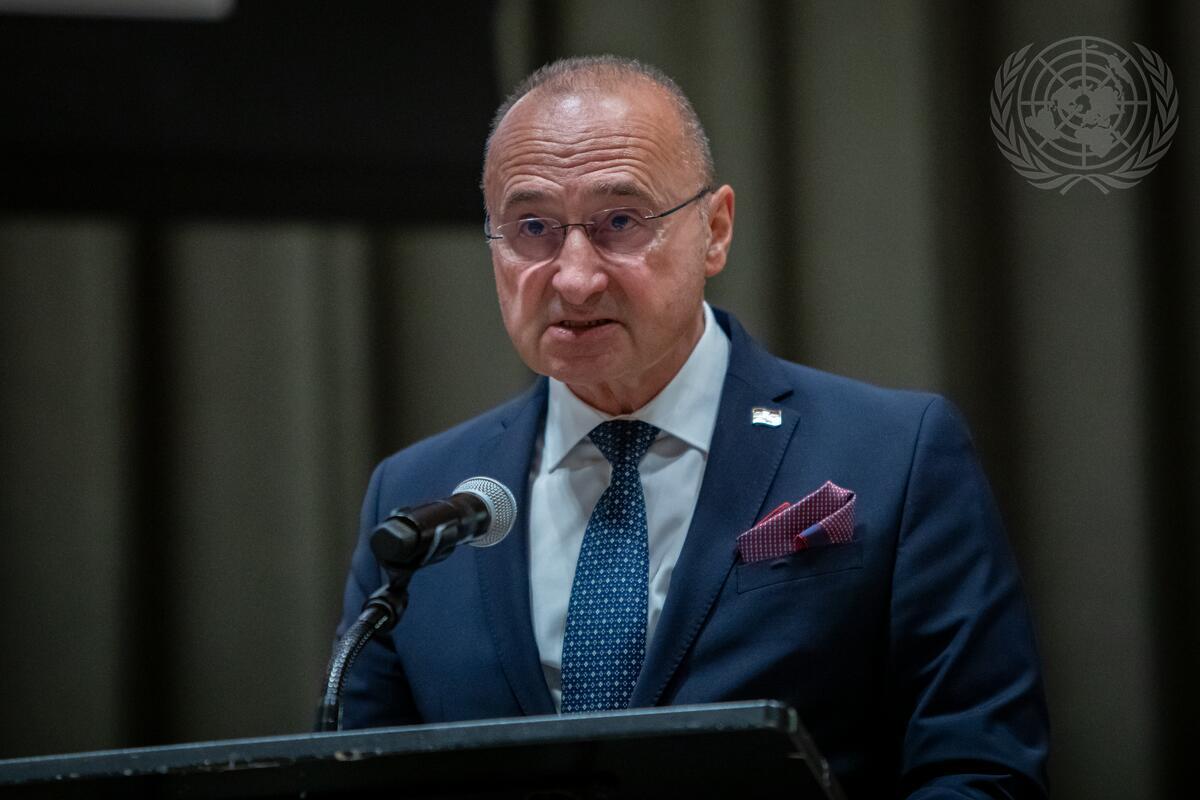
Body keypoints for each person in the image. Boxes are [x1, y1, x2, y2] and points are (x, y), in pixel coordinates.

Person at [334, 55, 1049, 797]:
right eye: (532, 228)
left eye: (620, 222)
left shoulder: (895, 454)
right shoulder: (419, 502)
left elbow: (980, 769)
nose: (574, 277)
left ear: (715, 230)